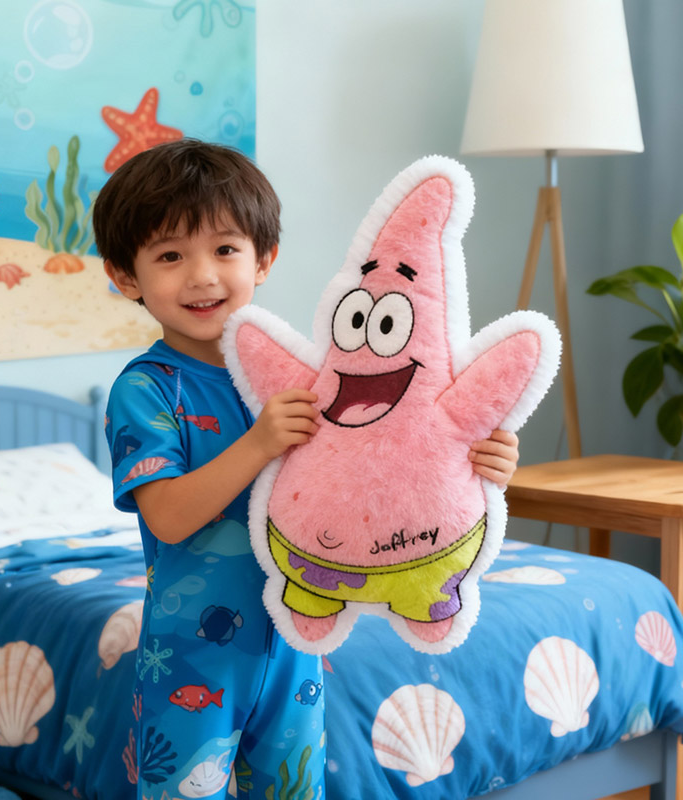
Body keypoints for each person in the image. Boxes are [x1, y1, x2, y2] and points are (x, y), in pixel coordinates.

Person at [93, 139, 520, 800]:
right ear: (126, 277)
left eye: (225, 249)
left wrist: (480, 461)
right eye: (170, 256)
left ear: (264, 259)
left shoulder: (306, 374)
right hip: (189, 657)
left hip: (298, 638)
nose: (202, 276)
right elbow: (169, 518)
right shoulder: (146, 390)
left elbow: (389, 461)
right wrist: (259, 443)